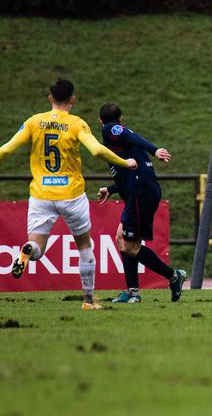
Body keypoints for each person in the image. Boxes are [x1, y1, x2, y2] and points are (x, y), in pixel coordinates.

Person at [0, 79, 137, 309]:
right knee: (84, 246)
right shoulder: (76, 124)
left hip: (41, 195)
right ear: (72, 99)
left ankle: (27, 251)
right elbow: (96, 150)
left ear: (50, 98)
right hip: (71, 195)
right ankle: (88, 300)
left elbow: (6, 149)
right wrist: (125, 162)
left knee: (37, 249)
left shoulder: (34, 122)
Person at [95, 102, 187, 303]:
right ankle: (133, 292)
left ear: (101, 121)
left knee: (129, 246)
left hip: (140, 194)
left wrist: (155, 150)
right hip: (141, 191)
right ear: (122, 117)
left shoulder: (110, 129)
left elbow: (128, 136)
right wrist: (110, 189)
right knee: (122, 238)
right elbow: (130, 175)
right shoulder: (124, 144)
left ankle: (173, 276)